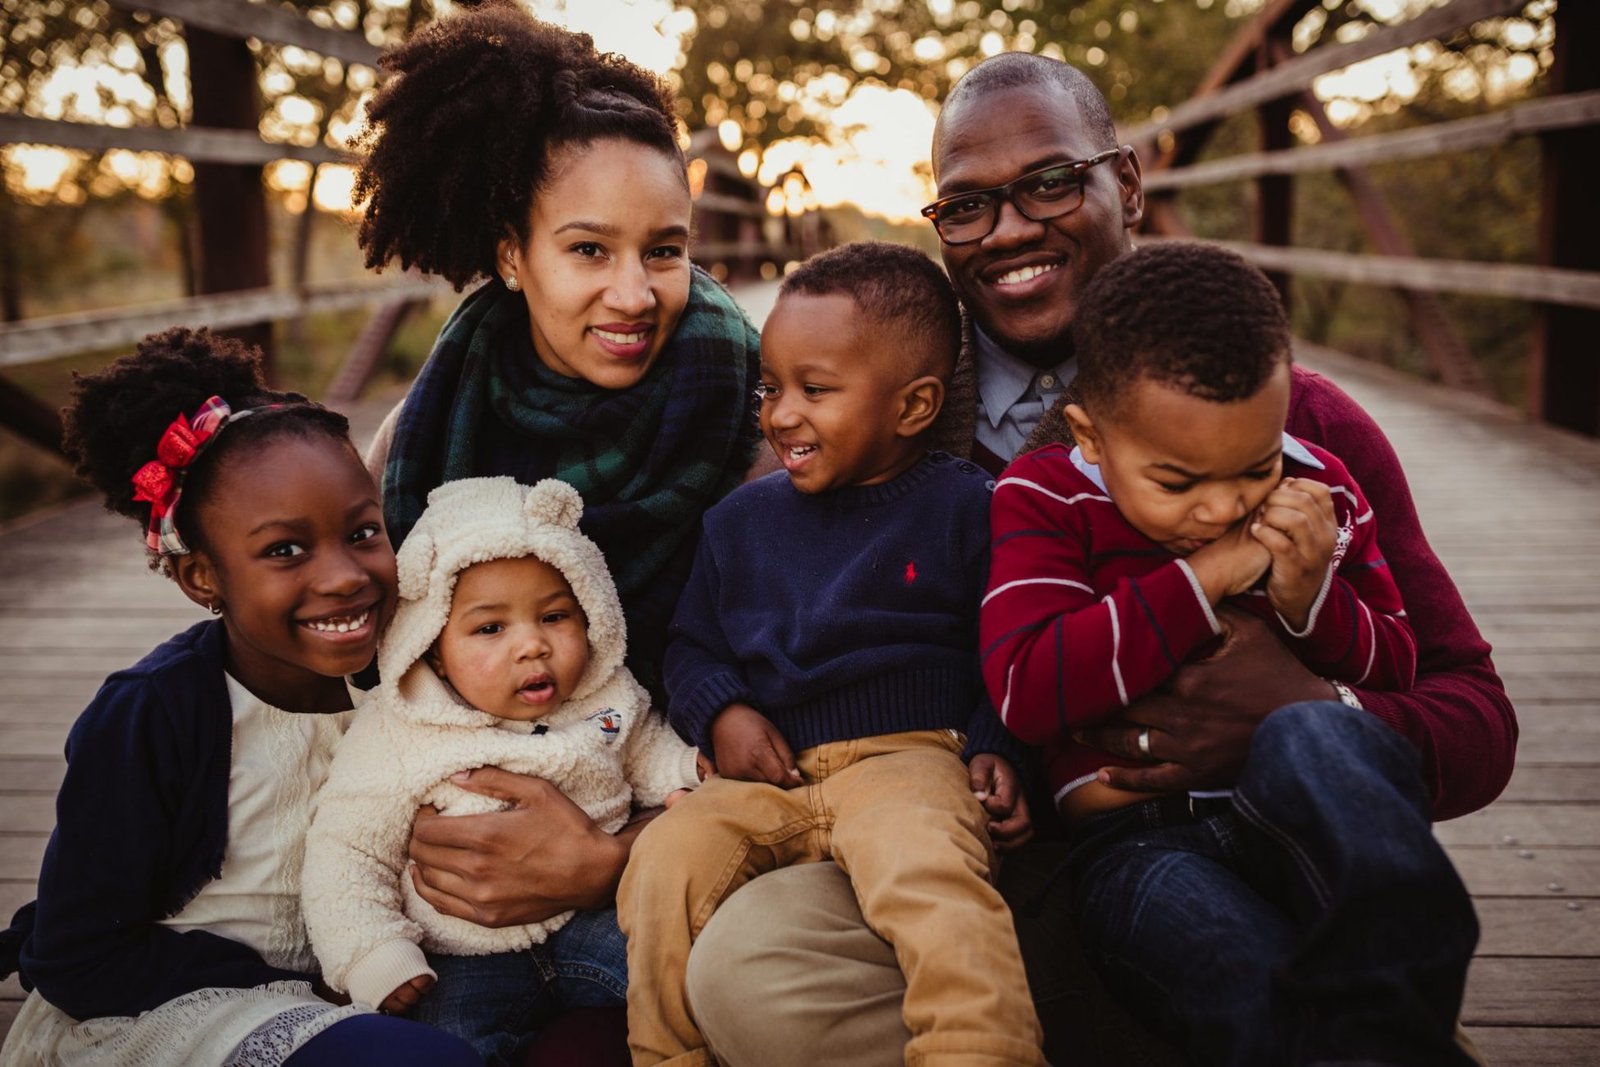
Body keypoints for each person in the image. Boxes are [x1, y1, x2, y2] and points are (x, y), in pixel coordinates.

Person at [683, 51, 1515, 1067]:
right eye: (966, 206)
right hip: (961, 861)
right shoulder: (870, 426)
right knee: (750, 970)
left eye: (1050, 180)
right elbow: (759, 644)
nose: (1010, 230)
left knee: (1276, 939)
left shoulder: (1296, 427)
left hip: (1242, 849)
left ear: (1127, 183)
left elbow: (1472, 710)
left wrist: (1309, 711)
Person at [985, 241, 1479, 1065]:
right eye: (1178, 482)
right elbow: (1027, 687)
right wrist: (1206, 575)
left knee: (1318, 734)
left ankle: (1399, 1026)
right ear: (1092, 436)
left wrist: (1309, 595)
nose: (1221, 507)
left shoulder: (1318, 484)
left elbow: (1398, 663)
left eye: (1254, 466)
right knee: (1247, 979)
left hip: (1298, 816)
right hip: (1135, 846)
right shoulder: (1043, 495)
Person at [351, 0, 762, 983]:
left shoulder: (753, 412)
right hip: (456, 866)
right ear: (509, 253)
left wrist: (608, 858)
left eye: (663, 249)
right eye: (589, 249)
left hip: (681, 819)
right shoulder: (427, 427)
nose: (635, 295)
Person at [617, 242, 1043, 1067]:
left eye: (815, 390)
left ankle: (981, 1049)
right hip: (769, 776)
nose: (780, 415)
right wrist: (723, 710)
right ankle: (666, 1056)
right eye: (771, 388)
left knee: (932, 882)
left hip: (910, 762)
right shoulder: (739, 523)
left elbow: (1013, 644)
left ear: (914, 406)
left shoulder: (969, 508)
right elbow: (693, 644)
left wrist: (1000, 742)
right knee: (664, 861)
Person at [0, 329, 476, 1067]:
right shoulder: (152, 713)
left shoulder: (412, 671)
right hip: (177, 1009)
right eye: (285, 550)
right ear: (202, 578)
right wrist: (295, 990)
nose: (345, 575)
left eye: (362, 531)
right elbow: (77, 952)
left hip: (373, 975)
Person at [302, 476, 699, 1065]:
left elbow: (647, 749)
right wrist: (374, 953)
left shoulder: (606, 696)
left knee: (687, 983)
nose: (532, 646)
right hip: (463, 954)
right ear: (433, 644)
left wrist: (689, 773)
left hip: (596, 915)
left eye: (555, 616)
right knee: (447, 1048)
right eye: (491, 628)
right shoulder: (399, 728)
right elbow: (347, 849)